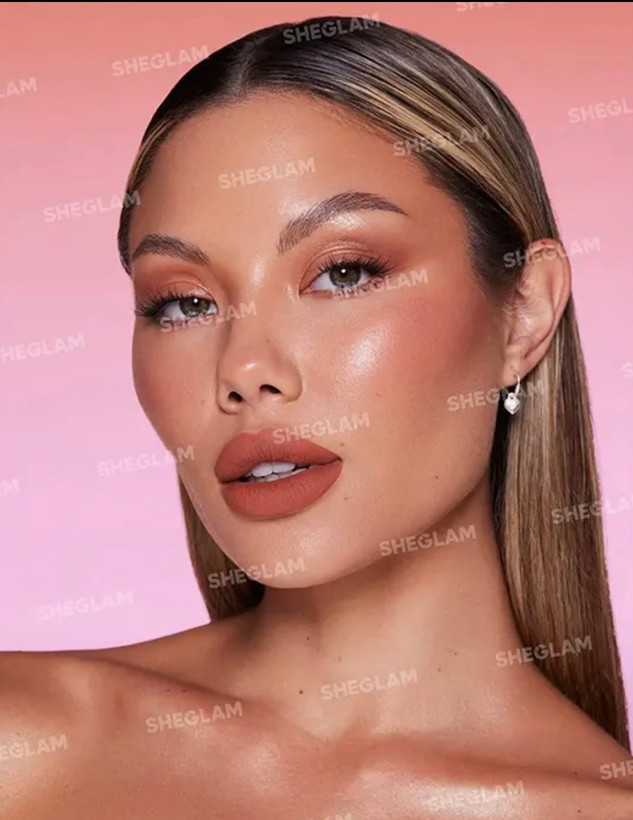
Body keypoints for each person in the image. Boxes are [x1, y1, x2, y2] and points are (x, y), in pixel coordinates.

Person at [2, 16, 632, 819]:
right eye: (184, 302)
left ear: (523, 314)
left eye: (342, 274)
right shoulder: (25, 742)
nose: (244, 370)